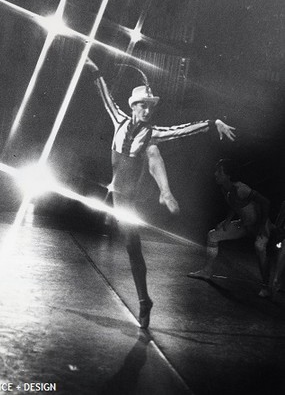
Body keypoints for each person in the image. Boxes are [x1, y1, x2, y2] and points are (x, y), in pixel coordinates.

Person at [85, 58, 236, 328]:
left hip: (131, 198)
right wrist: (94, 68)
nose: (147, 110)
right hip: (117, 196)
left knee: (133, 248)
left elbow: (183, 130)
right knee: (130, 245)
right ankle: (145, 299)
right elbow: (104, 93)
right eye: (143, 105)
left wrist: (213, 123)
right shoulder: (118, 119)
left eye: (150, 106)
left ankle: (144, 301)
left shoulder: (153, 133)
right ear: (133, 107)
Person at [188, 159, 274, 297]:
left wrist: (263, 226)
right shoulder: (225, 189)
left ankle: (266, 287)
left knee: (259, 247)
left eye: (219, 171)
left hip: (260, 225)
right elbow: (234, 205)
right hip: (244, 225)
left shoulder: (241, 188)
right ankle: (207, 272)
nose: (215, 174)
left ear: (227, 175)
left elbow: (265, 203)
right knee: (213, 235)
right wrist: (226, 221)